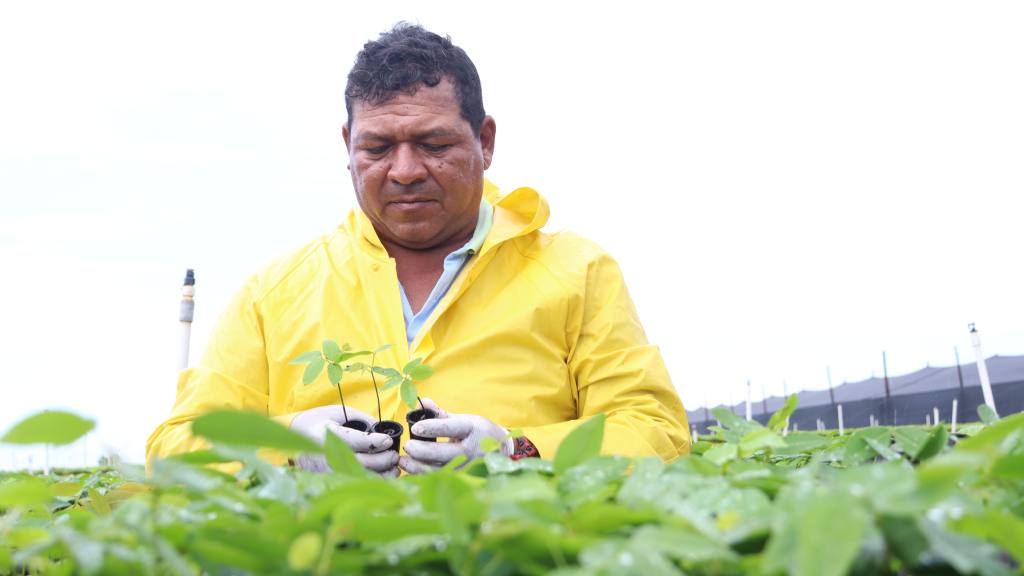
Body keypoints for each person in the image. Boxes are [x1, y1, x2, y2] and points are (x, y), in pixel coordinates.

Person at [146, 23, 690, 476]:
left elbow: (655, 429)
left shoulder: (577, 272)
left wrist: (516, 452)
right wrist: (289, 444)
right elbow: (174, 452)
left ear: (486, 141)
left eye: (434, 145)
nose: (405, 171)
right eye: (378, 148)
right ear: (347, 146)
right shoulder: (274, 294)